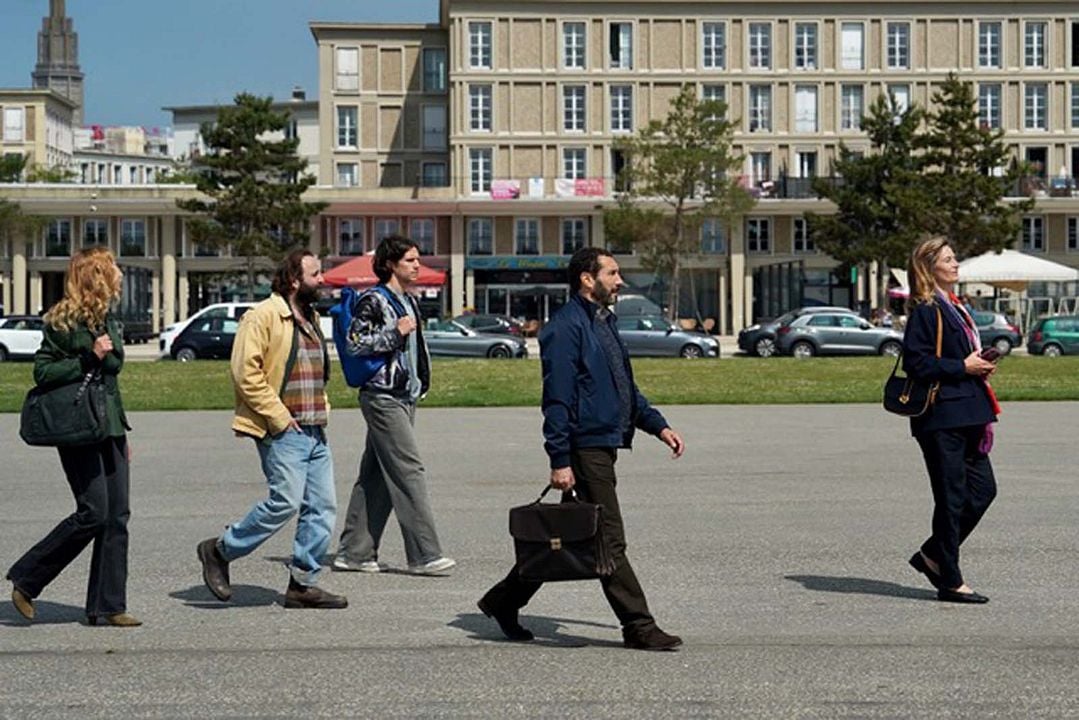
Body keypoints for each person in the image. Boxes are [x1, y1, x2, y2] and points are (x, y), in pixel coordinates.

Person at [478, 247, 687, 650]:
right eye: (612, 273)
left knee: (569, 536)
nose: (620, 281)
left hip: (603, 442)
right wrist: (559, 459)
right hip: (584, 447)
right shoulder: (565, 328)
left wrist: (658, 426)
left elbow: (624, 389)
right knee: (608, 539)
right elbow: (557, 399)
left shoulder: (603, 322)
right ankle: (638, 625)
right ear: (587, 280)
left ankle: (504, 600)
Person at [196, 249, 347, 609]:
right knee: (285, 501)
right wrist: (279, 417)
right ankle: (219, 550)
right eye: (315, 274)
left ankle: (303, 584)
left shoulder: (310, 317)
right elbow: (245, 374)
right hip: (283, 430)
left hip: (314, 429)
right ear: (294, 280)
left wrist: (322, 408)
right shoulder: (262, 316)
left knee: (322, 508)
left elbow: (314, 371)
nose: (322, 279)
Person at [7, 247, 139, 627]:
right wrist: (87, 357)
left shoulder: (108, 319)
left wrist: (121, 431)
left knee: (117, 515)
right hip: (78, 428)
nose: (119, 273)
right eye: (112, 267)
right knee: (93, 512)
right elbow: (43, 373)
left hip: (109, 427)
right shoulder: (62, 321)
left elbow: (111, 379)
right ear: (96, 275)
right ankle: (27, 578)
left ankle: (109, 606)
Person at [332, 235, 455, 576]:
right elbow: (355, 344)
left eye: (417, 260)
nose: (417, 266)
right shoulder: (374, 299)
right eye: (410, 260)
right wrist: (396, 334)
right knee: (408, 470)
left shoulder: (408, 300)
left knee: (376, 476)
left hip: (404, 396)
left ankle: (354, 553)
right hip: (382, 397)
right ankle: (425, 554)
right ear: (390, 264)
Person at [903, 237, 1001, 604]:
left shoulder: (956, 307)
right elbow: (916, 363)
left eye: (954, 257)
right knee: (951, 498)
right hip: (942, 417)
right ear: (930, 268)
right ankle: (950, 580)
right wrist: (963, 366)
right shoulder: (926, 309)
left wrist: (978, 364)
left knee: (983, 490)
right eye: (948, 259)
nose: (956, 263)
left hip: (969, 412)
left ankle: (933, 554)